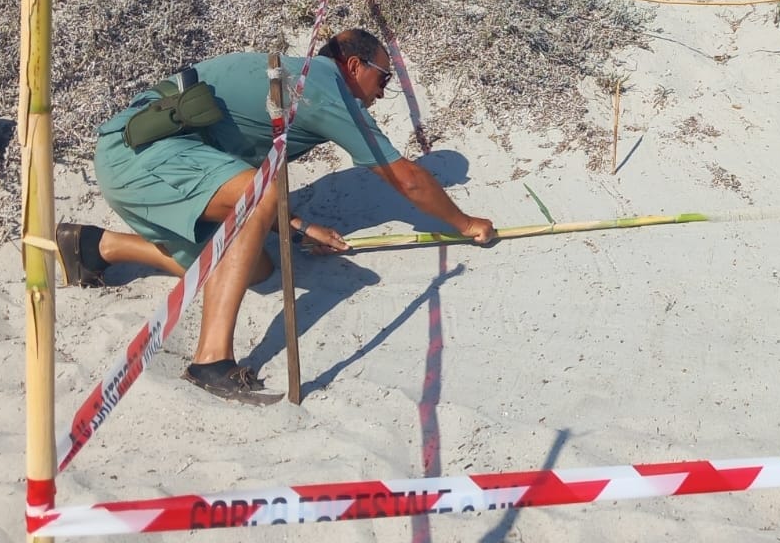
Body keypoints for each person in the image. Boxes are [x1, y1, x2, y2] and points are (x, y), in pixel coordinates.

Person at [56, 28, 496, 401]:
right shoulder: (323, 84)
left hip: (148, 160)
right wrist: (465, 223)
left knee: (257, 268)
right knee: (261, 192)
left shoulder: (302, 82)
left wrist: (300, 226)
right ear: (356, 66)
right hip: (142, 154)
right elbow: (409, 181)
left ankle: (96, 247)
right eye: (383, 77)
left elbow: (246, 193)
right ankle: (210, 362)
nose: (384, 90)